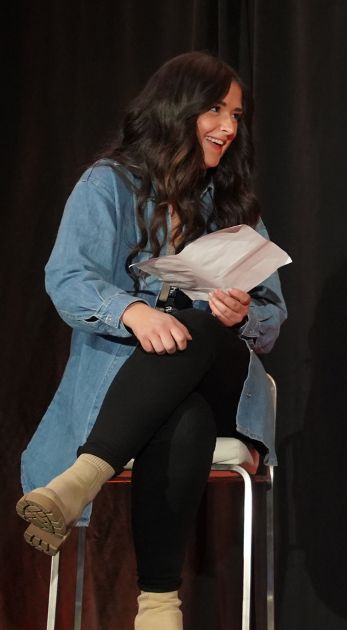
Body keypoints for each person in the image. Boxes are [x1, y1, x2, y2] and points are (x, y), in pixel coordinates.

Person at [16, 51, 286, 630]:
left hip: (226, 388)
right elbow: (68, 279)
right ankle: (159, 606)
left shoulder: (234, 206)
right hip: (142, 393)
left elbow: (271, 314)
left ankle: (82, 475)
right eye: (215, 110)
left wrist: (241, 315)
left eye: (237, 115)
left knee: (207, 324)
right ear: (176, 109)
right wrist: (133, 311)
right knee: (179, 413)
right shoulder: (107, 187)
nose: (229, 128)